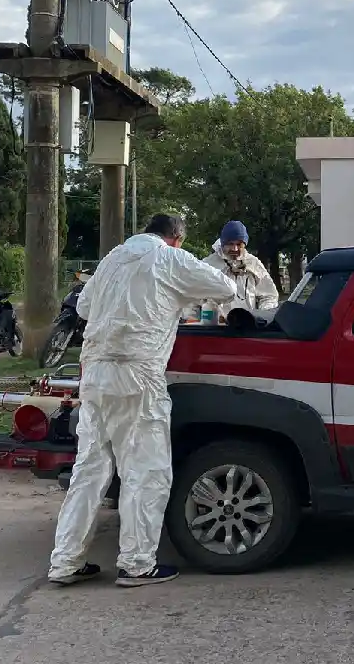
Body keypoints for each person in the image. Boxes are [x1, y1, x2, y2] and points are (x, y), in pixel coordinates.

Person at [47, 213, 243, 589]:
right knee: (145, 470)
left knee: (88, 472)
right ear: (176, 238)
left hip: (95, 374)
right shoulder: (170, 258)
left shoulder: (112, 259)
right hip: (138, 375)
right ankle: (137, 565)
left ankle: (65, 562)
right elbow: (225, 289)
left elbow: (85, 308)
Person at [196, 220, 280, 318]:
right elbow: (191, 300)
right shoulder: (208, 265)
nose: (235, 249)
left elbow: (269, 296)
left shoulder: (253, 263)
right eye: (230, 244)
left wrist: (262, 316)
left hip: (247, 328)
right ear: (223, 243)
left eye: (239, 244)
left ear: (245, 244)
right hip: (216, 329)